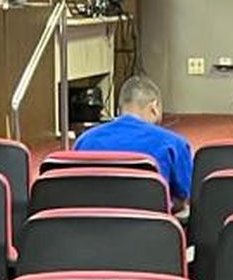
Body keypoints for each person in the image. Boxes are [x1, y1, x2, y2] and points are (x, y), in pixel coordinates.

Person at [73, 75, 193, 208]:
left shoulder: (84, 140)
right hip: (149, 219)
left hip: (93, 218)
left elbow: (75, 188)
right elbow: (184, 196)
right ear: (154, 107)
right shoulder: (173, 143)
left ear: (119, 109)